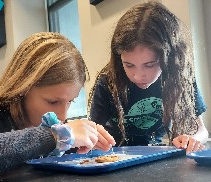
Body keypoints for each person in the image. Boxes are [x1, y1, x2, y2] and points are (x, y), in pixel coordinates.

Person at [0, 32, 115, 182]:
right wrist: (55, 137)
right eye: (53, 101)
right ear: (22, 89)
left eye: (70, 101)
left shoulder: (50, 121)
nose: (63, 114)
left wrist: (79, 143)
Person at [88, 0, 209, 154]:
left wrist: (193, 139)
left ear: (169, 58)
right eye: (129, 65)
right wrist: (94, 140)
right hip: (116, 159)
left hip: (156, 157)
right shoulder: (107, 82)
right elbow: (91, 133)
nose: (138, 76)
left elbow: (202, 131)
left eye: (150, 64)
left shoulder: (180, 76)